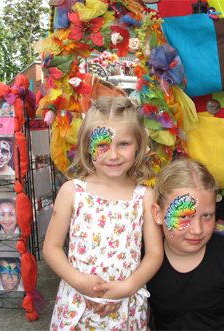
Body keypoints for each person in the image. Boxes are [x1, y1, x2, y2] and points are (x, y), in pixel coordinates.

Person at [43, 96, 163, 330]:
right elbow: (52, 247)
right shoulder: (71, 192)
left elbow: (155, 254)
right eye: (102, 145)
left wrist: (127, 287)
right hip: (77, 303)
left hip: (125, 307)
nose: (113, 155)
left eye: (123, 144)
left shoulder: (144, 197)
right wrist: (80, 282)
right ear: (88, 146)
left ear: (138, 143)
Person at [148, 159, 224, 331]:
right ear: (158, 214)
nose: (197, 230)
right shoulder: (141, 262)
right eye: (184, 216)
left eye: (207, 215)